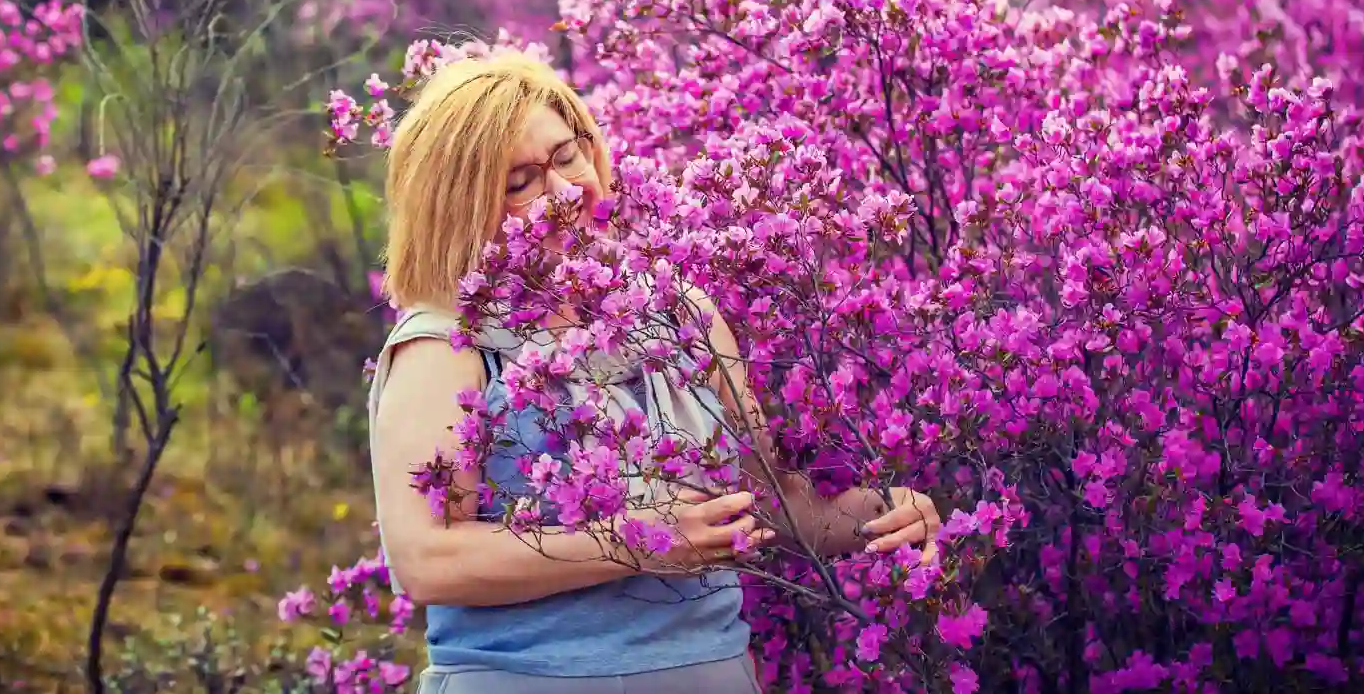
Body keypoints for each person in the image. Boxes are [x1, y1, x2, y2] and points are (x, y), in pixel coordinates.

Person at [366, 52, 941, 694]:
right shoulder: (448, 345)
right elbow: (427, 561)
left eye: (565, 158)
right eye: (520, 182)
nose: (563, 192)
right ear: (462, 208)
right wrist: (641, 539)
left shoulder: (677, 312)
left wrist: (881, 516)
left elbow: (767, 504)